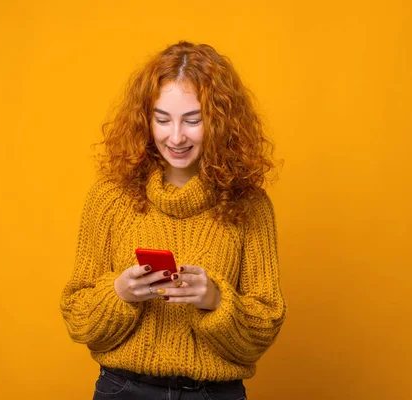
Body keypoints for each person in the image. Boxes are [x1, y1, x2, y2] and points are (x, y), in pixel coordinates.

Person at [60, 41, 286, 400]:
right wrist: (120, 294)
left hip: (215, 393)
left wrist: (215, 300)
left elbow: (263, 329)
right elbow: (79, 319)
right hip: (124, 389)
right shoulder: (109, 198)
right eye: (162, 119)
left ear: (220, 119)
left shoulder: (250, 205)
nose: (176, 136)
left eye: (193, 120)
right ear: (145, 119)